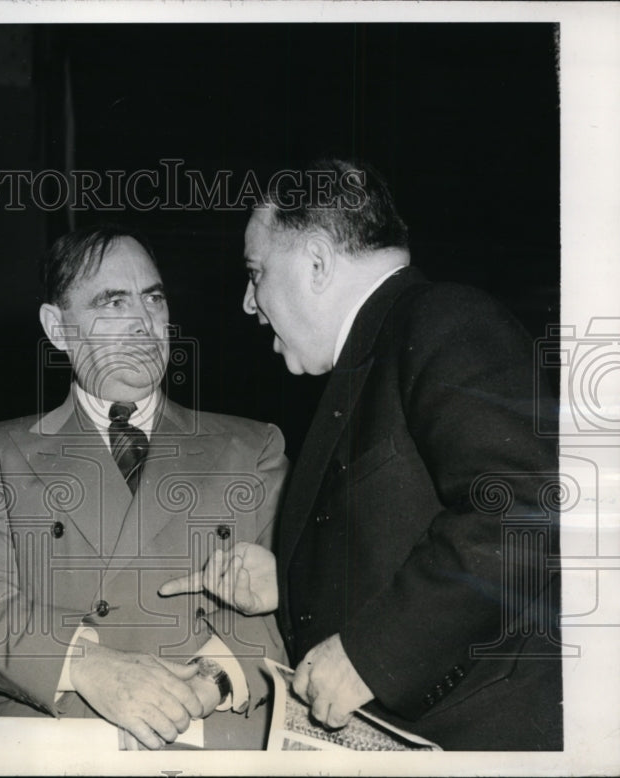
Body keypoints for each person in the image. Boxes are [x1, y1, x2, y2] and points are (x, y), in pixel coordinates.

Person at [163, 159, 561, 750]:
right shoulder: (379, 348)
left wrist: (370, 657)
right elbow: (412, 520)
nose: (249, 303)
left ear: (318, 263)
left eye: (256, 273)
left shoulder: (442, 318)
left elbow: (526, 508)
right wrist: (297, 582)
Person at [0, 224, 289, 750]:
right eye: (112, 303)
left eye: (153, 299)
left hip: (209, 737)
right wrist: (89, 667)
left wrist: (210, 680)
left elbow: (298, 603)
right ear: (58, 329)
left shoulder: (252, 448)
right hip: (50, 741)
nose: (142, 323)